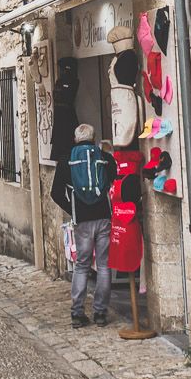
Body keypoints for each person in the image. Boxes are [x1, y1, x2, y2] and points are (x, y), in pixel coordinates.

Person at [51, 123, 117, 328]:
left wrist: (72, 208)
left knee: (82, 266)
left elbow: (55, 193)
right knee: (104, 265)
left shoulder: (66, 161)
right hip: (103, 216)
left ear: (75, 139)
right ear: (94, 138)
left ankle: (78, 313)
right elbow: (112, 180)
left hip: (82, 220)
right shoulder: (105, 159)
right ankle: (100, 313)